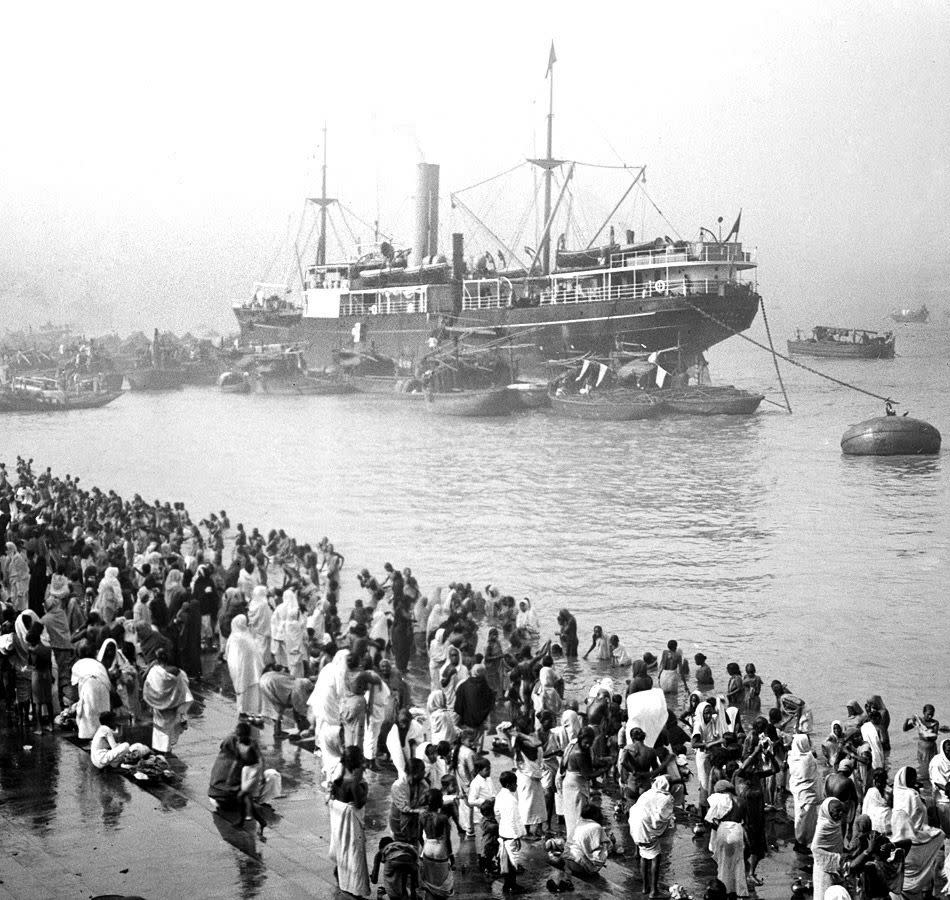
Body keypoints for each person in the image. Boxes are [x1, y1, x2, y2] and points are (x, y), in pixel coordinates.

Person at [890, 766, 943, 897]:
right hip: (917, 834)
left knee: (906, 865)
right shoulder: (912, 794)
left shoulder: (897, 793)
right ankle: (926, 890)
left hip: (900, 833)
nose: (914, 779)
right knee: (927, 857)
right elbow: (920, 812)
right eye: (912, 777)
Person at [329, 746, 370, 898]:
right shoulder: (353, 782)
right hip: (351, 826)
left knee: (344, 851)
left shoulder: (339, 779)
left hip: (341, 825)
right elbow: (359, 803)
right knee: (354, 854)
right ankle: (355, 887)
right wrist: (364, 787)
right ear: (356, 763)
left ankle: (343, 878)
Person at [628, 775, 675, 898]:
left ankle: (645, 887)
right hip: (645, 827)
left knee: (643, 855)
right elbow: (663, 816)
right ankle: (654, 891)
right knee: (655, 857)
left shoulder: (647, 793)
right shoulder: (667, 798)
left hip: (634, 825)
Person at [142, 647, 193, 753]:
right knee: (170, 728)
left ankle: (159, 749)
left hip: (157, 705)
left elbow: (147, 685)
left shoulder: (153, 671)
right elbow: (184, 684)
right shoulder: (176, 671)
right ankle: (167, 749)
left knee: (159, 729)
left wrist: (155, 699)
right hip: (172, 704)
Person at [704, 780, 746, 898]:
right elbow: (746, 822)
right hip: (738, 830)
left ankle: (723, 891)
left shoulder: (720, 801)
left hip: (723, 831)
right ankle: (738, 890)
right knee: (738, 862)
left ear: (722, 791)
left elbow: (709, 820)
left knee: (723, 863)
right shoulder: (741, 801)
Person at [70, 642, 112, 740]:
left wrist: (76, 704)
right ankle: (104, 737)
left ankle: (91, 738)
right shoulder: (98, 664)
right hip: (103, 686)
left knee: (89, 713)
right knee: (102, 712)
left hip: (89, 686)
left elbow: (75, 686)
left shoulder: (77, 664)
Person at [225, 614, 263, 716]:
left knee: (242, 691)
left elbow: (228, 654)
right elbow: (256, 652)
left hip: (238, 669)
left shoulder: (234, 637)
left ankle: (242, 710)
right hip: (250, 670)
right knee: (251, 693)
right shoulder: (246, 637)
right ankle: (250, 711)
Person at [496, 769, 526, 895]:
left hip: (503, 832)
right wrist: (517, 836)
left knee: (506, 861)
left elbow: (497, 812)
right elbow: (514, 820)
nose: (516, 786)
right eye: (515, 783)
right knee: (513, 862)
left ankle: (507, 884)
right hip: (511, 835)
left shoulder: (499, 796)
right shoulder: (511, 800)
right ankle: (511, 886)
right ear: (509, 785)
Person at [788, 733, 820, 852]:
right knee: (807, 819)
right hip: (808, 792)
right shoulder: (808, 758)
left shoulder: (792, 756)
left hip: (798, 791)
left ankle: (800, 841)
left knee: (800, 817)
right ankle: (801, 843)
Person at [420, 788, 454, 900]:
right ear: (439, 802)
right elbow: (447, 840)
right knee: (442, 882)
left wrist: (424, 846)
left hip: (427, 848)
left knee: (429, 883)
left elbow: (418, 836)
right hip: (440, 849)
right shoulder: (443, 818)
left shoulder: (422, 816)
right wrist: (451, 855)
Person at [810, 798, 845, 900]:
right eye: (837, 811)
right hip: (824, 869)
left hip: (836, 867)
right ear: (828, 812)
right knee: (825, 894)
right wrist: (836, 858)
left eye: (841, 810)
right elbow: (815, 849)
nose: (840, 813)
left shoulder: (836, 822)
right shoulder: (823, 826)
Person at [390, 758, 429, 846]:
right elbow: (404, 808)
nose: (424, 772)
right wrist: (419, 811)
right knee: (400, 849)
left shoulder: (423, 785)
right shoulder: (398, 786)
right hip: (399, 823)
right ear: (414, 773)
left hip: (414, 825)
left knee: (414, 848)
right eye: (422, 770)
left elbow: (424, 802)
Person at [902, 705, 940, 782]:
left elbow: (934, 737)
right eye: (928, 714)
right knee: (922, 764)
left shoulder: (935, 723)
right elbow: (905, 729)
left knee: (931, 765)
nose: (930, 716)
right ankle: (924, 779)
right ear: (924, 712)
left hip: (930, 749)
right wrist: (907, 720)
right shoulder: (919, 721)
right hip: (921, 748)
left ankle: (931, 779)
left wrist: (924, 732)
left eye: (932, 714)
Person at [928, 738, 950, 834]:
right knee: (947, 826)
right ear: (943, 750)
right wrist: (947, 789)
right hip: (943, 800)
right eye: (948, 751)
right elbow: (938, 782)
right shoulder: (937, 762)